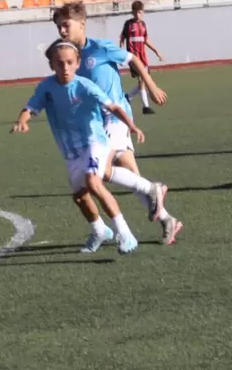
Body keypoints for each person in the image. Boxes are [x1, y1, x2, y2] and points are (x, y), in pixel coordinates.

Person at [53, 2, 183, 245]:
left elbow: (134, 60)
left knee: (101, 171)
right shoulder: (69, 58)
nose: (61, 30)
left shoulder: (100, 48)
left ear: (82, 24)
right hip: (96, 123)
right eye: (59, 26)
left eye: (65, 25)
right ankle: (168, 220)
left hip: (116, 118)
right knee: (133, 177)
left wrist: (152, 87)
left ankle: (154, 193)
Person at [13, 39, 144, 254]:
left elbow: (112, 106)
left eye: (69, 62)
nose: (65, 67)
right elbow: (30, 108)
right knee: (80, 196)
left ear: (77, 63)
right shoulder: (46, 87)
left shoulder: (85, 85)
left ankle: (125, 233)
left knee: (93, 181)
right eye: (59, 63)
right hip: (70, 151)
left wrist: (132, 125)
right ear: (51, 65)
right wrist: (22, 121)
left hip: (95, 142)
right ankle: (100, 230)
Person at [119, 1, 164, 115]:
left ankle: (128, 97)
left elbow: (145, 40)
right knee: (142, 79)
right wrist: (120, 53)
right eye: (135, 13)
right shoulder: (128, 24)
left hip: (143, 57)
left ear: (143, 12)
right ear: (132, 13)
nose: (137, 15)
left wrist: (156, 51)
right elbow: (122, 38)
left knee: (143, 80)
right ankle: (145, 106)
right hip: (133, 57)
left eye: (139, 12)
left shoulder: (143, 25)